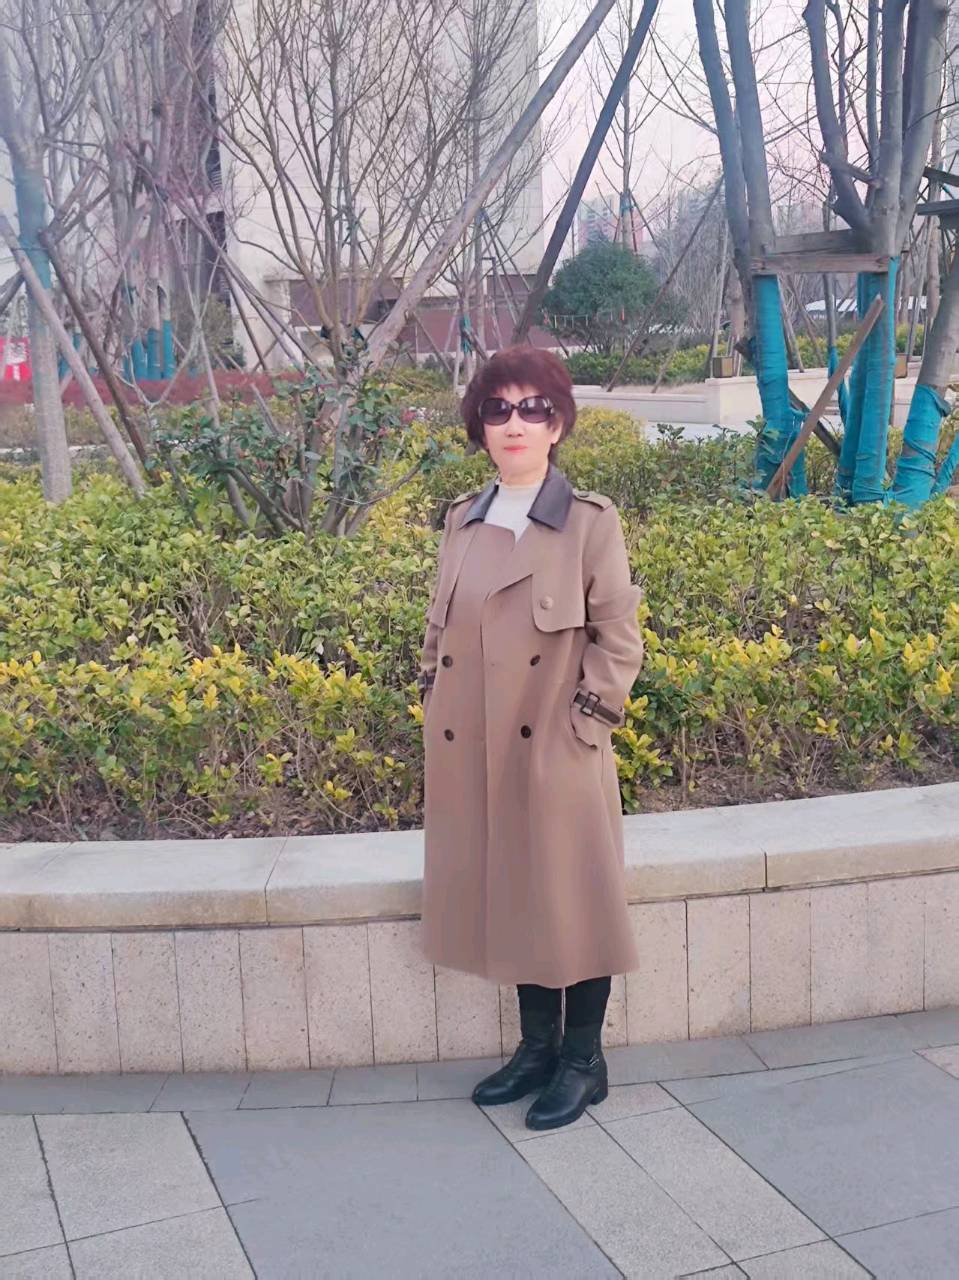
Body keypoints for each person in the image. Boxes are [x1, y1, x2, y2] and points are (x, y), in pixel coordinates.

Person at [416, 346, 645, 1131]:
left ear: (557, 425)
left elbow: (618, 641)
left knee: (574, 902)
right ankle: (537, 1049)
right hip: (477, 754)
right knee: (515, 896)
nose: (515, 423)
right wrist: (431, 696)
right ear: (479, 426)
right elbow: (439, 628)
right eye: (498, 409)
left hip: (556, 750)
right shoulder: (464, 519)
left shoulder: (587, 522)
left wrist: (582, 727)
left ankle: (583, 1061)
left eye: (533, 408)